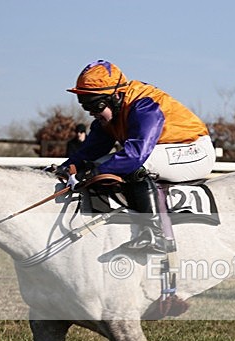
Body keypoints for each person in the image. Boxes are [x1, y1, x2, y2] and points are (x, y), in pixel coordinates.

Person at [57, 60, 215, 254]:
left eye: (95, 105)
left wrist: (94, 171)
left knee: (135, 166)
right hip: (165, 150)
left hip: (195, 150)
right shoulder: (110, 114)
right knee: (98, 165)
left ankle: (155, 235)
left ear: (116, 96)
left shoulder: (144, 106)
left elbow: (135, 156)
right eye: (85, 105)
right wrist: (64, 168)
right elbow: (88, 152)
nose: (91, 112)